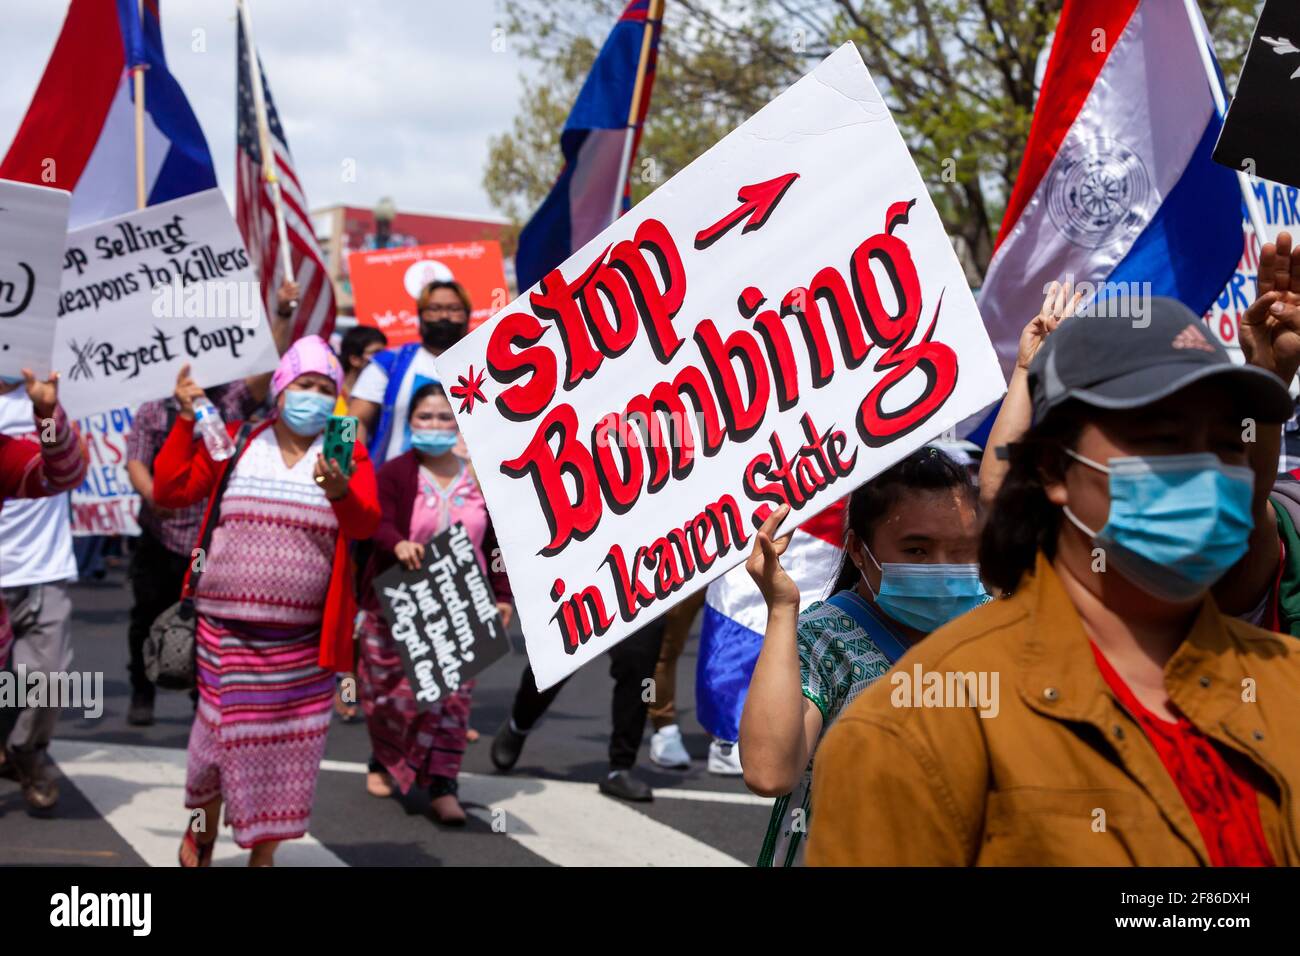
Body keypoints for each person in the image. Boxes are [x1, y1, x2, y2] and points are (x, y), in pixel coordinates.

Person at [809, 297, 1300, 866]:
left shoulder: (1282, 683)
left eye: (1225, 445)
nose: (1204, 472)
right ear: (1053, 468)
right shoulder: (917, 726)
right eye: (1163, 439)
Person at [153, 338, 380, 867]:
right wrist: (186, 423)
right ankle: (201, 835)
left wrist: (341, 490)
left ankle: (263, 857)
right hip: (223, 637)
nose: (315, 397)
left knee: (284, 758)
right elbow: (170, 489)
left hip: (301, 647)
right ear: (280, 390)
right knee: (211, 751)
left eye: (326, 389)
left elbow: (366, 524)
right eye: (304, 385)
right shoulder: (232, 440)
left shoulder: (347, 450)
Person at [740, 447, 985, 866]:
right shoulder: (827, 637)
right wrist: (782, 611)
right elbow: (770, 772)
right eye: (917, 551)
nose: (943, 570)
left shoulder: (996, 629)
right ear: (857, 548)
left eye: (962, 550)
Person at [122, 279, 299, 726]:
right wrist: (153, 497)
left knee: (206, 622)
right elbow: (137, 462)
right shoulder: (153, 408)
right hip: (161, 537)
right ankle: (143, 689)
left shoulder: (231, 398)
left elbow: (266, 372)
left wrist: (282, 315)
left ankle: (201, 697)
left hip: (210, 540)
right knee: (147, 614)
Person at [355, 382, 512, 822]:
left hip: (460, 601)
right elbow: (375, 524)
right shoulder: (394, 473)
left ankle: (444, 784)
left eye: (447, 417)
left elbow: (499, 544)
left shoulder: (479, 476)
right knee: (390, 697)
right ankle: (385, 758)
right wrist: (398, 544)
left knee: (452, 702)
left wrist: (500, 595)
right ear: (410, 423)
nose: (437, 425)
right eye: (426, 416)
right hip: (397, 600)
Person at [0, 371, 87, 810]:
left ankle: (27, 752)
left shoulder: (45, 397)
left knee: (48, 681)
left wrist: (47, 414)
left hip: (40, 567)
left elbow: (60, 472)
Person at [491, 620, 666, 802]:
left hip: (634, 594)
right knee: (553, 664)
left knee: (640, 665)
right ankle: (519, 723)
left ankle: (621, 767)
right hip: (579, 593)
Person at [349, 281, 471, 464]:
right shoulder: (389, 364)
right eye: (435, 309)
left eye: (454, 309)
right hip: (393, 487)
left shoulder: (486, 366)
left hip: (467, 488)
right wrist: (352, 466)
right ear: (420, 316)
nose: (444, 316)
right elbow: (352, 420)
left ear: (467, 316)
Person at [646, 591, 706, 769]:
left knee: (735, 645)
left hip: (733, 571)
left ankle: (727, 733)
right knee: (664, 650)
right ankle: (662, 726)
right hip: (683, 567)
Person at [337, 325, 388, 414]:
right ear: (355, 359)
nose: (383, 358)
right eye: (376, 353)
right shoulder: (332, 394)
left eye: (384, 353)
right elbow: (347, 427)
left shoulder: (380, 395)